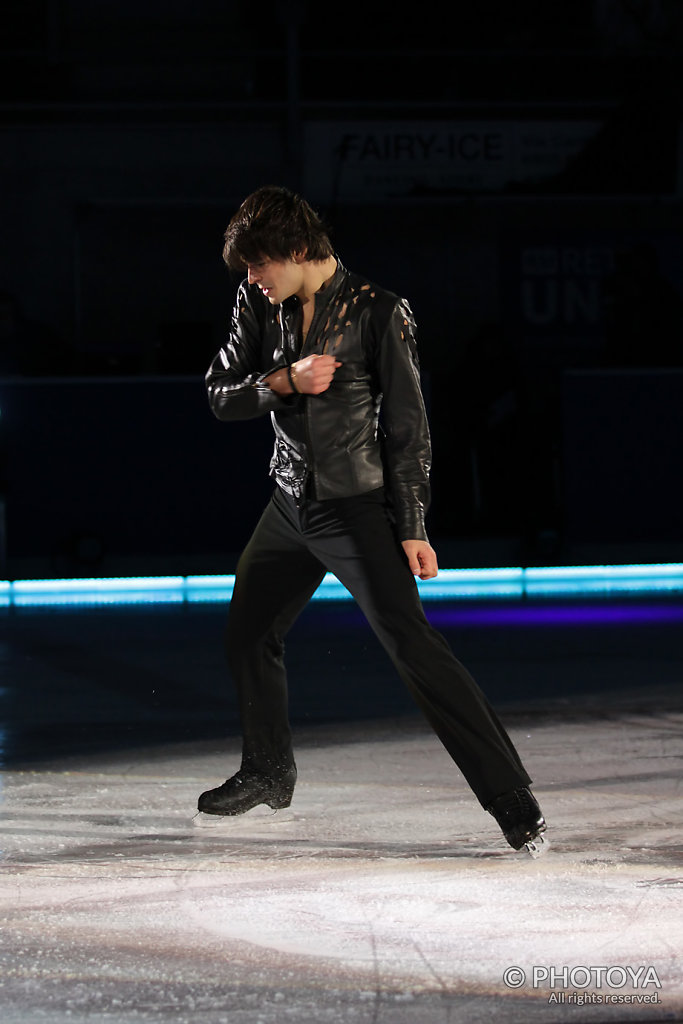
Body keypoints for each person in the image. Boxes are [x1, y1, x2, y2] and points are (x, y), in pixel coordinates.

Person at [198, 186, 547, 853]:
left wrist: (411, 524)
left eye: (258, 263)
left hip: (355, 509)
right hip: (287, 502)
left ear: (297, 251)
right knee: (247, 633)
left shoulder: (379, 313)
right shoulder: (255, 304)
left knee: (412, 647)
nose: (250, 278)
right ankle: (269, 770)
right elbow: (220, 396)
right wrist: (282, 383)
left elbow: (409, 431)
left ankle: (510, 799)